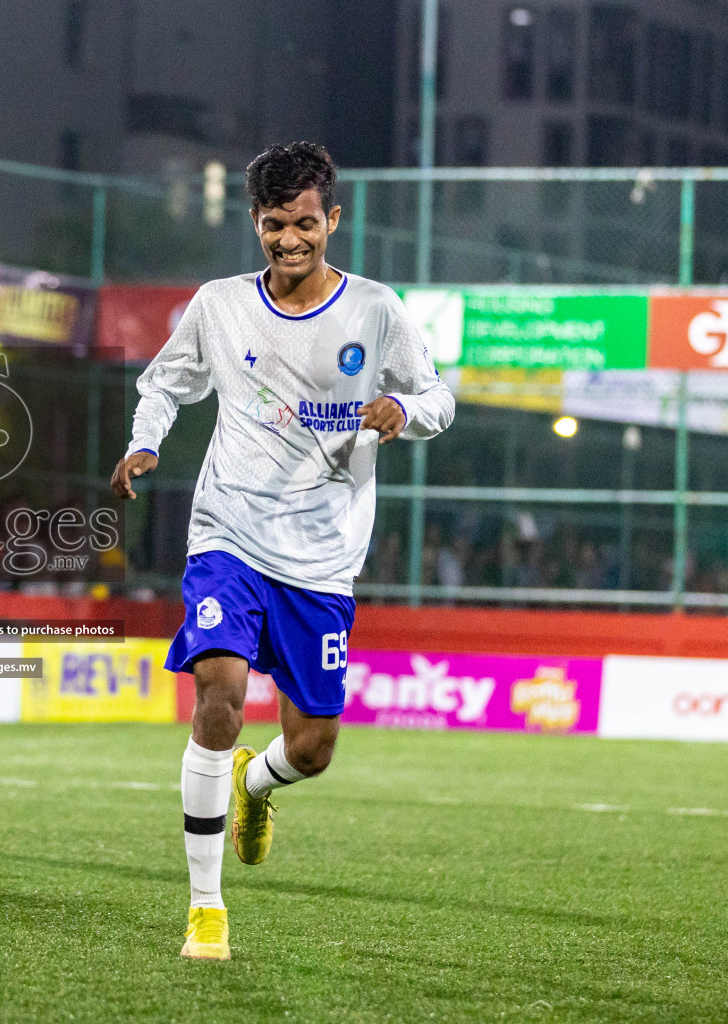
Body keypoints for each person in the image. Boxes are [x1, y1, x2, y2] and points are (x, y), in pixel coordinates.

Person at [109, 142, 454, 961]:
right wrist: (144, 441)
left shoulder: (375, 310)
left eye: (305, 223)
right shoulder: (221, 304)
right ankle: (205, 910)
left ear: (332, 219)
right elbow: (165, 382)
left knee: (312, 748)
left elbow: (440, 396)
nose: (289, 240)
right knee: (219, 697)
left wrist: (404, 409)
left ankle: (254, 786)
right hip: (228, 532)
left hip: (325, 556)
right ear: (254, 223)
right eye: (274, 225)